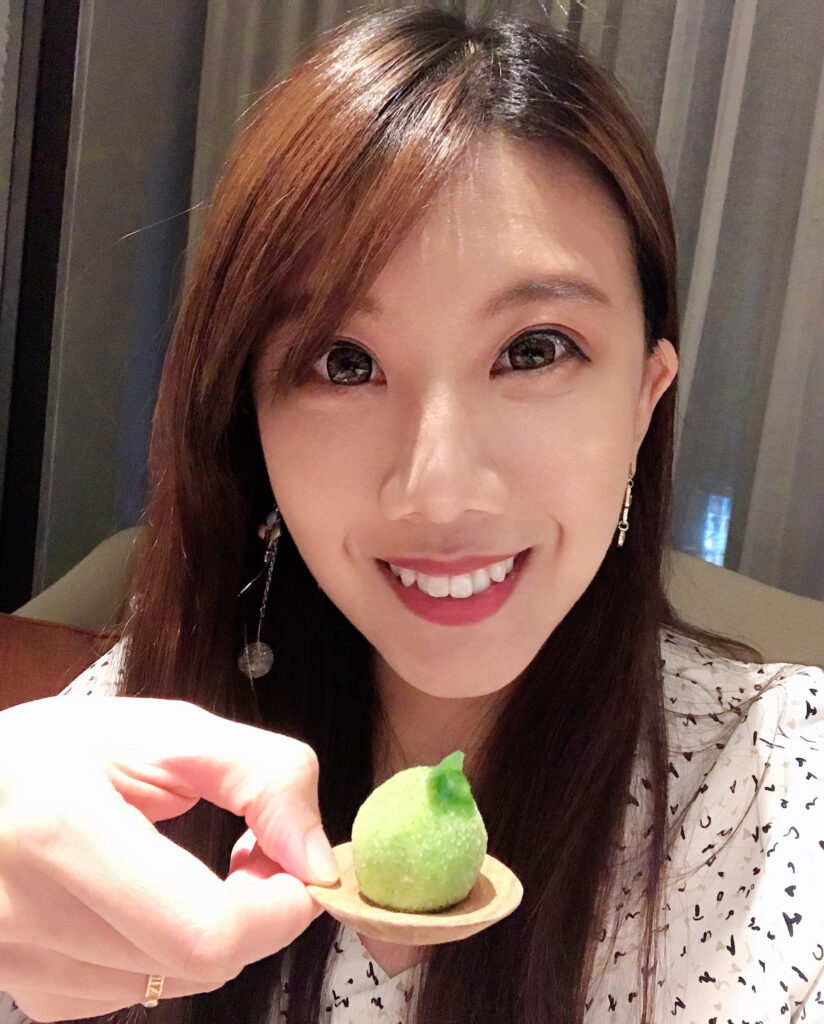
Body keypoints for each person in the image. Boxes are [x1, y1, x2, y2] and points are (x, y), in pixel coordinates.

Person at [1, 7, 821, 1024]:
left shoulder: (784, 798)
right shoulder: (141, 738)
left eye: (533, 350)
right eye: (344, 362)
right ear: (251, 420)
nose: (437, 490)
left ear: (643, 401)